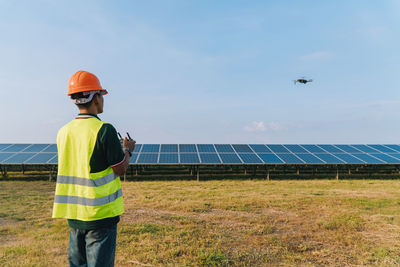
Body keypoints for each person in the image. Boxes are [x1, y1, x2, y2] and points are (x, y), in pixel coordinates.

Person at [52, 70, 136, 267]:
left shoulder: (63, 132)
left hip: (74, 214)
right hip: (100, 215)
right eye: (101, 95)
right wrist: (128, 150)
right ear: (96, 98)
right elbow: (120, 168)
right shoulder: (104, 130)